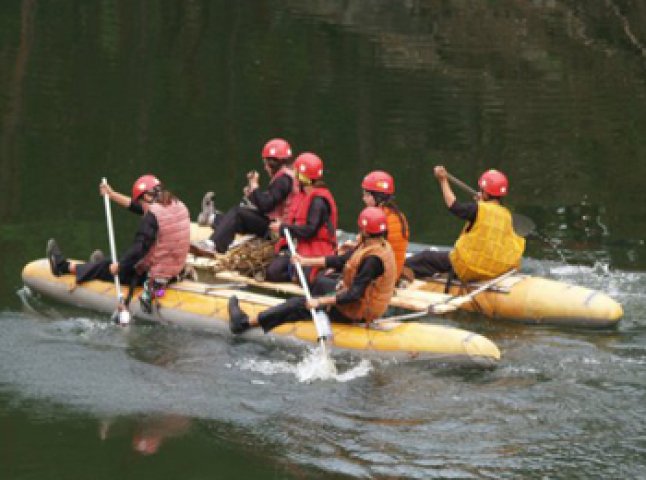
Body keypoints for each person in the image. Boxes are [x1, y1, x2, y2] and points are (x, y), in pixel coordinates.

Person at [228, 206, 397, 334]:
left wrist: (320, 302)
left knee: (297, 304)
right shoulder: (377, 244)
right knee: (320, 282)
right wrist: (305, 261)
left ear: (366, 229)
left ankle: (245, 323)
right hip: (357, 302)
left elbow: (354, 294)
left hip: (357, 310)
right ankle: (313, 312)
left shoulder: (372, 260)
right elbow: (340, 260)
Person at [46, 174, 191, 311]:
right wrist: (112, 194)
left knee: (109, 265)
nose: (140, 205)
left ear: (147, 196)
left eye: (140, 200)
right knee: (114, 262)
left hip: (152, 276)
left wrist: (120, 267)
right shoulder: (177, 205)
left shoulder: (152, 216)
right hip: (175, 271)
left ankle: (62, 267)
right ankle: (98, 266)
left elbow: (138, 250)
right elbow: (140, 208)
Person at [405, 166, 525, 282]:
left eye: (481, 190)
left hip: (469, 266)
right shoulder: (506, 215)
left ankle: (400, 273)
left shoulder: (478, 209)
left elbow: (453, 205)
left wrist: (443, 181)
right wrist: (482, 203)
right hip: (495, 268)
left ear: (486, 193)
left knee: (426, 257)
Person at [197, 138, 301, 254]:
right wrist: (252, 194)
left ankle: (213, 244)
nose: (265, 167)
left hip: (278, 230)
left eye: (266, 163)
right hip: (279, 225)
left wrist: (255, 186)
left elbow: (266, 206)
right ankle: (212, 218)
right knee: (240, 214)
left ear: (273, 163)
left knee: (238, 213)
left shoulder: (283, 180)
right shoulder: (288, 176)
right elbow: (271, 202)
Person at [265, 152, 338, 283]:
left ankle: (303, 273)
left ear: (303, 177)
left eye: (296, 172)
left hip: (316, 250)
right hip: (300, 246)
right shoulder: (303, 194)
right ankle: (293, 271)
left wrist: (283, 227)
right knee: (273, 272)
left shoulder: (318, 201)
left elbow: (310, 231)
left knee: (306, 277)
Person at [342, 170, 409, 279]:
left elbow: (369, 251)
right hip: (393, 272)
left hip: (381, 277)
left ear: (378, 197)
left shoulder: (377, 218)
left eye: (367, 195)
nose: (363, 198)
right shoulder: (398, 215)